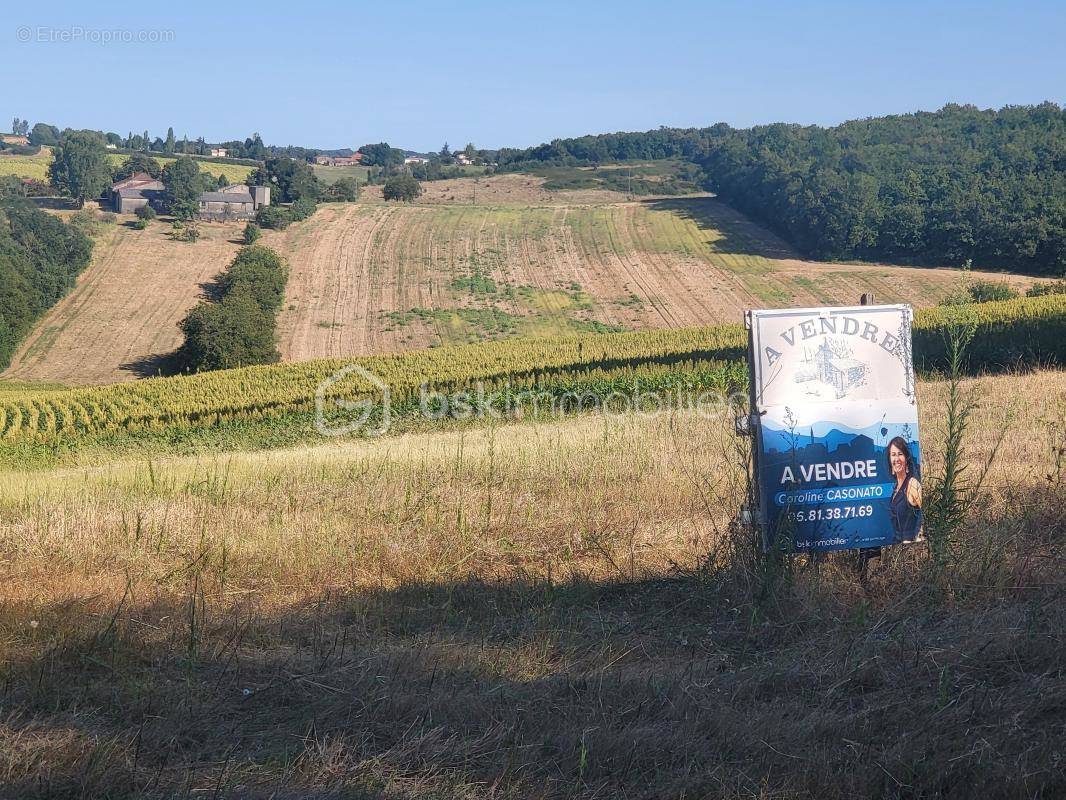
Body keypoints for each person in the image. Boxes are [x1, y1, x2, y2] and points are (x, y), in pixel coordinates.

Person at [887, 436, 922, 542]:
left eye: (900, 454)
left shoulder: (912, 484)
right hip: (898, 548)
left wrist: (918, 537)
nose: (896, 459)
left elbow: (926, 513)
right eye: (893, 455)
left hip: (911, 547)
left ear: (906, 458)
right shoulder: (895, 488)